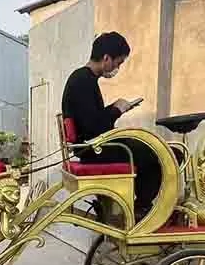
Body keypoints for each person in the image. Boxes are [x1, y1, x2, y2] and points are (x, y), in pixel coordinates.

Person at [61, 31, 160, 218]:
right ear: (106, 58)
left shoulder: (84, 79)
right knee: (154, 154)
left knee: (145, 148)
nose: (117, 68)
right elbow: (92, 127)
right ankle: (141, 209)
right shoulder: (83, 81)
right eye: (118, 63)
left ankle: (138, 207)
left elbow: (91, 119)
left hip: (93, 146)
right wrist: (116, 110)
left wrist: (115, 108)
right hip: (93, 150)